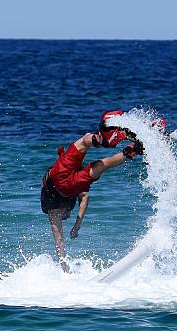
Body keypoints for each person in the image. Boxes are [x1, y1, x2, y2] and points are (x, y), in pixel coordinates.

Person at [41, 110, 143, 272]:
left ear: (64, 213)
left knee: (102, 165)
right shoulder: (54, 206)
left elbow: (59, 240)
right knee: (84, 141)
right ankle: (105, 139)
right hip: (58, 173)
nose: (66, 216)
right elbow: (84, 198)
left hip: (64, 183)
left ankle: (135, 149)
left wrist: (64, 265)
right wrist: (77, 224)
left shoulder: (52, 212)